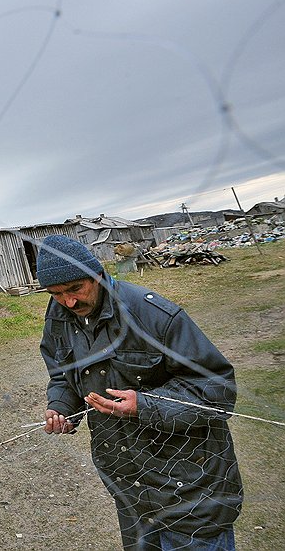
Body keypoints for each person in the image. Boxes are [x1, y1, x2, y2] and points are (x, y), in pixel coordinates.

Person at [36, 234, 242, 550]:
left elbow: (217, 389)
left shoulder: (154, 315)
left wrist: (145, 405)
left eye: (75, 289)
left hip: (189, 484)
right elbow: (63, 375)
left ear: (97, 274)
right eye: (56, 294)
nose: (68, 302)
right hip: (129, 487)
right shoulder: (60, 317)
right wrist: (61, 405)